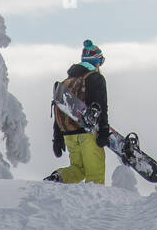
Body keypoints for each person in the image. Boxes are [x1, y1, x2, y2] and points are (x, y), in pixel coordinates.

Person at [45, 40, 110, 184]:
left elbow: (60, 109)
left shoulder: (67, 81)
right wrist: (104, 130)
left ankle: (58, 178)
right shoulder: (96, 78)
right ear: (96, 61)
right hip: (88, 134)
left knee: (78, 169)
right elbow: (100, 106)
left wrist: (58, 137)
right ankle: (95, 204)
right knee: (95, 174)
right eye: (100, 61)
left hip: (69, 134)